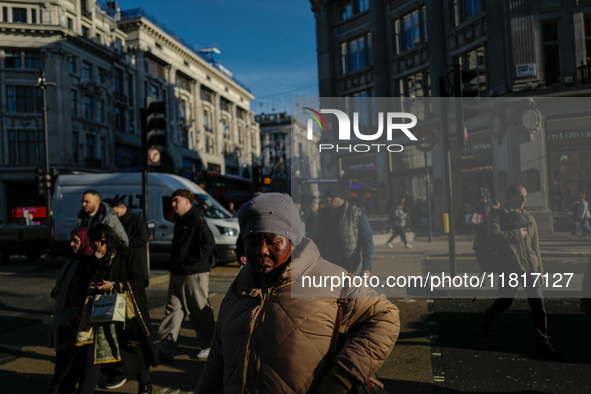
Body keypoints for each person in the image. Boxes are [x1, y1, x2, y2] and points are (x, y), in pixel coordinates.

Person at [195, 193, 400, 393]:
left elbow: (385, 316)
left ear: (292, 241)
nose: (262, 250)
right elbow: (215, 367)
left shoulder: (336, 282)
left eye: (272, 241)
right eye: (252, 242)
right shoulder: (237, 291)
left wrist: (342, 377)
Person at [482, 184, 561, 360]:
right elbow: (493, 236)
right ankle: (488, 317)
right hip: (510, 268)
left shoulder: (529, 218)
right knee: (505, 302)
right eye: (519, 196)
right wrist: (516, 234)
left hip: (530, 268)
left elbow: (535, 246)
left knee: (538, 307)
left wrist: (540, 270)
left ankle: (543, 344)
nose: (523, 199)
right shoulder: (498, 216)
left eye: (525, 196)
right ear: (509, 197)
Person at [85, 223, 159, 394]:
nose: (90, 245)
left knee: (136, 345)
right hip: (108, 308)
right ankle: (116, 375)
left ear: (103, 241)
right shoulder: (100, 257)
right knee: (113, 344)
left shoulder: (128, 254)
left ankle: (145, 384)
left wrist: (116, 285)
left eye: (93, 242)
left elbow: (140, 280)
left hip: (130, 310)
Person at [155, 189, 216, 361]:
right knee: (172, 311)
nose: (173, 204)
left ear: (187, 202)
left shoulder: (196, 219)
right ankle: (165, 347)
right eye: (172, 201)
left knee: (199, 310)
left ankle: (210, 345)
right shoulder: (180, 221)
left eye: (176, 201)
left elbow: (208, 242)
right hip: (178, 274)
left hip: (193, 275)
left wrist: (190, 263)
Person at [48, 227, 99, 394]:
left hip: (81, 320)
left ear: (85, 241)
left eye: (75, 241)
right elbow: (64, 288)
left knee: (78, 364)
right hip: (67, 320)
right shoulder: (74, 260)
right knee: (64, 365)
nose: (71, 244)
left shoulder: (94, 263)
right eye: (71, 240)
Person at [311, 184, 374, 277]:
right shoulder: (321, 215)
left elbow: (367, 241)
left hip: (352, 269)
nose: (328, 199)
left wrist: (367, 268)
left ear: (341, 198)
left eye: (332, 196)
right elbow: (314, 239)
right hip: (328, 267)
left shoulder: (355, 213)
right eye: (327, 197)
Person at [106, 198, 150, 286]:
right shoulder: (120, 219)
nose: (115, 215)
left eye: (116, 212)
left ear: (123, 208)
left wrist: (124, 241)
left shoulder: (137, 220)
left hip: (135, 255)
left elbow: (143, 238)